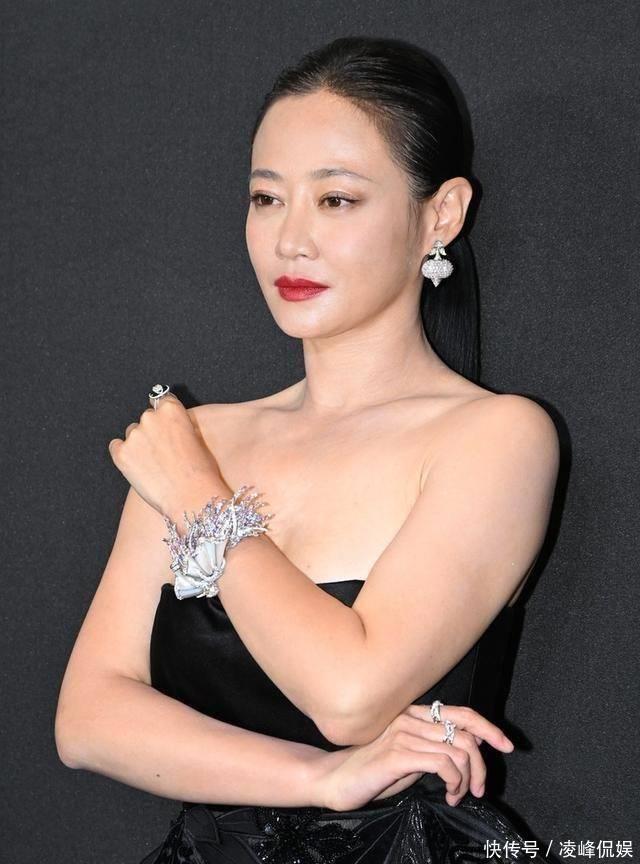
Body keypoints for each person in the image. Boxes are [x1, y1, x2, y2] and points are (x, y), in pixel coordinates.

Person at [55, 36, 560, 863]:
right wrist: (321, 779)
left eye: (336, 200)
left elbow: (349, 695)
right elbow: (88, 720)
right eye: (266, 198)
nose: (290, 240)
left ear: (441, 214)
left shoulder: (496, 437)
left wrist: (200, 501)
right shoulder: (201, 438)